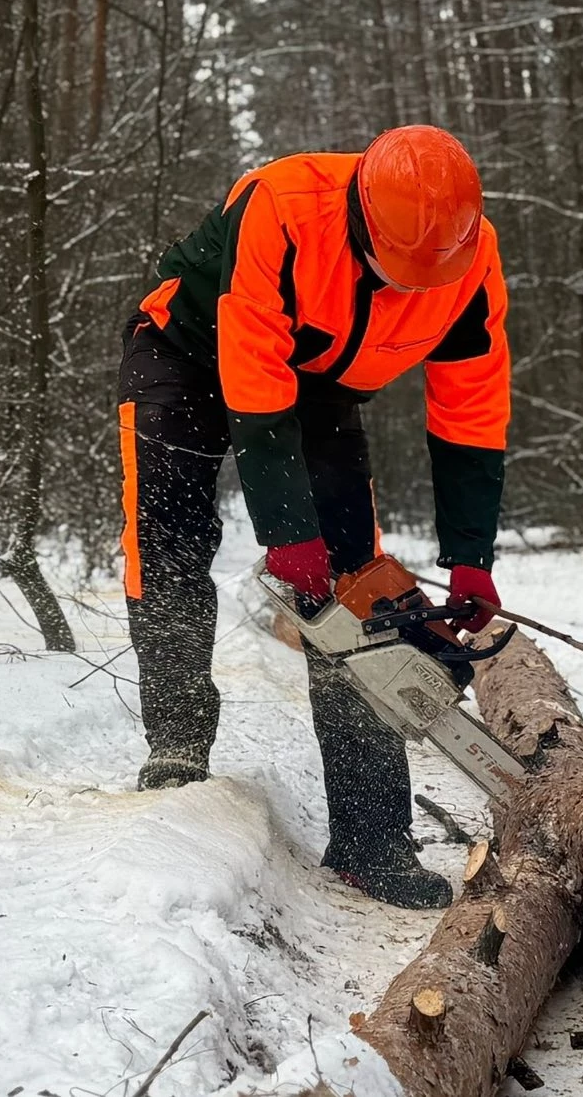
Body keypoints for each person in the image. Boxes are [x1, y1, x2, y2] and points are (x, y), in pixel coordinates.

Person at [115, 124, 510, 909]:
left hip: (318, 379)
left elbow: (470, 411)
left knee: (354, 587)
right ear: (363, 215)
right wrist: (288, 536)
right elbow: (256, 386)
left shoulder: (471, 260)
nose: (408, 289)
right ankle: (179, 739)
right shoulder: (285, 208)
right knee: (165, 532)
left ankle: (371, 838)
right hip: (185, 350)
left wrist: (471, 555)